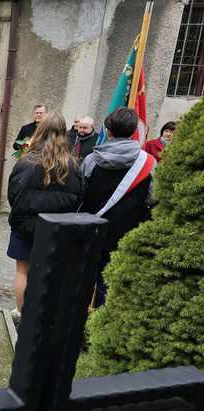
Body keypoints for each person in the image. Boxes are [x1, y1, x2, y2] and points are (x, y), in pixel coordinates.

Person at [6, 112, 82, 321]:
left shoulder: (25, 163)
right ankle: (43, 316)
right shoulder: (74, 166)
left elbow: (13, 194)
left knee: (23, 272)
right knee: (51, 272)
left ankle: (22, 314)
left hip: (25, 226)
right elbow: (78, 198)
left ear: (40, 132)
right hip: (58, 229)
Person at [82, 107, 155, 306]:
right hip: (126, 234)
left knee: (83, 283)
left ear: (109, 131)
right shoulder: (149, 163)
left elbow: (81, 195)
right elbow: (152, 198)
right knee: (111, 286)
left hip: (91, 230)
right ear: (134, 132)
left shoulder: (91, 160)